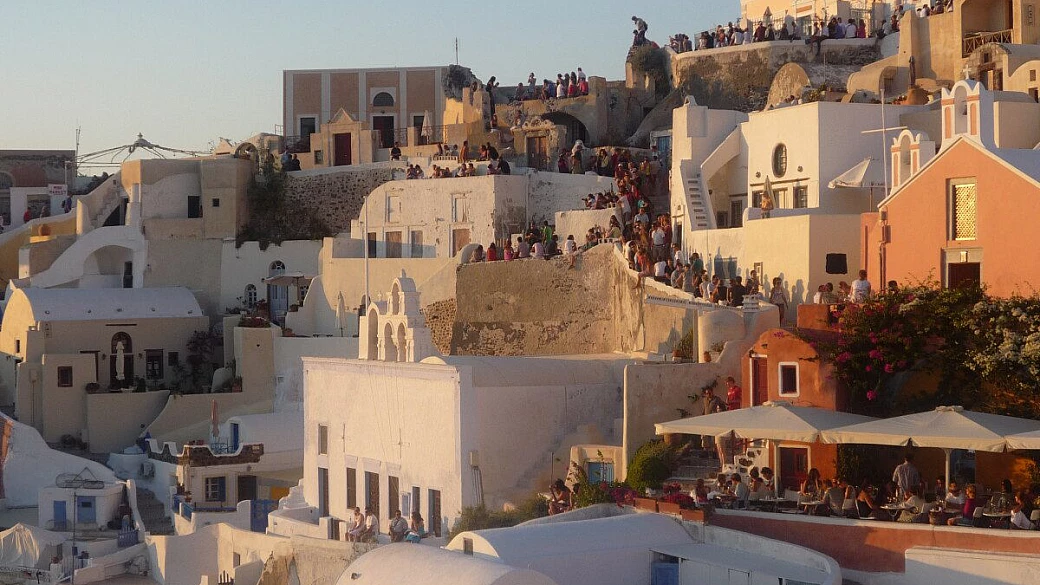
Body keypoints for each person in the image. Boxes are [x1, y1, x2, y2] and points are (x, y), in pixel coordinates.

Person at [700, 386, 725, 454]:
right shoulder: (705, 399)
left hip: (714, 419)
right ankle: (705, 450)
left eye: (709, 393)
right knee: (704, 435)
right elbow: (705, 408)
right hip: (706, 419)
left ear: (712, 392)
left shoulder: (717, 399)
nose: (708, 394)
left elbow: (723, 407)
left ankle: (714, 451)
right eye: (707, 393)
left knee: (713, 436)